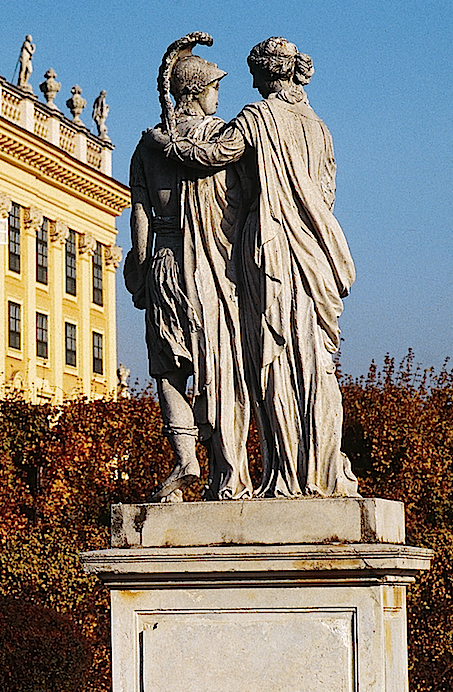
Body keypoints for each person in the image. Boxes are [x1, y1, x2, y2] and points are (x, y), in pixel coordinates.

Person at [152, 37, 359, 497]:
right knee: (316, 359)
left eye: (251, 74)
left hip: (269, 248)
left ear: (265, 75)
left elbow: (208, 156)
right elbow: (327, 190)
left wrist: (165, 141)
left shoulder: (257, 117)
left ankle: (288, 476)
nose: (245, 83)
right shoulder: (319, 127)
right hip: (314, 251)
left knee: (275, 359)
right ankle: (323, 469)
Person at [126, 41, 253, 502]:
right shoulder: (221, 138)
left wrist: (139, 270)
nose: (219, 93)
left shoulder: (148, 144)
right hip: (212, 265)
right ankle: (227, 468)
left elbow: (140, 215)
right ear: (197, 91)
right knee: (220, 365)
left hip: (163, 261)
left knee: (167, 368)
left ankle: (185, 458)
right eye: (215, 85)